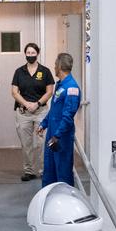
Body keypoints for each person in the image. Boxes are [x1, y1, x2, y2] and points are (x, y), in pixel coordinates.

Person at [10, 43, 54, 182]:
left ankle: (43, 171)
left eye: (32, 53)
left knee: (42, 143)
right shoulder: (19, 71)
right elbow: (14, 92)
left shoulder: (45, 71)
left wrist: (37, 104)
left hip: (41, 112)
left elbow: (49, 91)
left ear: (37, 53)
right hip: (23, 113)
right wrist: (27, 104)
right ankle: (28, 171)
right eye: (28, 53)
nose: (30, 55)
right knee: (26, 143)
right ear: (25, 54)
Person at [37, 52, 80, 186]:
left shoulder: (71, 87)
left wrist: (57, 135)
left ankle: (66, 203)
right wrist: (44, 123)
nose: (54, 67)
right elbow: (54, 109)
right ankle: (50, 201)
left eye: (56, 65)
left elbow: (68, 116)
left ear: (60, 66)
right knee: (49, 171)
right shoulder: (60, 85)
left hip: (61, 138)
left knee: (63, 173)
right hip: (52, 135)